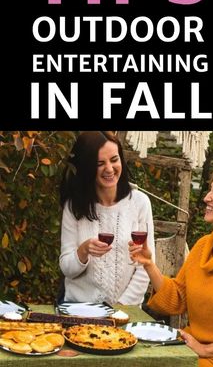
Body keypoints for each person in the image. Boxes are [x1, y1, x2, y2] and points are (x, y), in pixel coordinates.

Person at [129, 167, 213, 367]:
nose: (206, 198)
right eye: (209, 190)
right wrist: (149, 265)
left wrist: (206, 349)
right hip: (187, 350)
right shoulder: (203, 246)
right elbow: (177, 297)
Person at [59, 131, 155, 306]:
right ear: (87, 167)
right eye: (100, 163)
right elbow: (67, 268)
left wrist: (119, 310)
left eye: (114, 159)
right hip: (79, 310)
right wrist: (83, 250)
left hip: (126, 313)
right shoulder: (74, 206)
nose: (109, 169)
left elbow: (144, 266)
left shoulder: (140, 203)